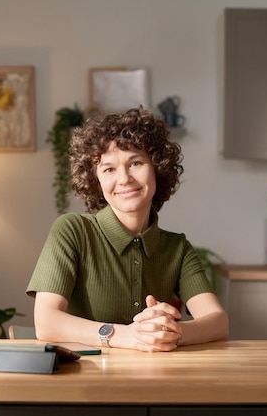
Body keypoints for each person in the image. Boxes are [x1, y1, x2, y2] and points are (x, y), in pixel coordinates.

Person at [26, 106, 228, 352]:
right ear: (96, 181)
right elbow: (46, 322)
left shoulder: (177, 248)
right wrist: (124, 335)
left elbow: (218, 321)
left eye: (135, 163)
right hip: (82, 381)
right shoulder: (72, 231)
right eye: (109, 169)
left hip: (152, 380)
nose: (124, 179)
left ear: (157, 168)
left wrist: (170, 333)